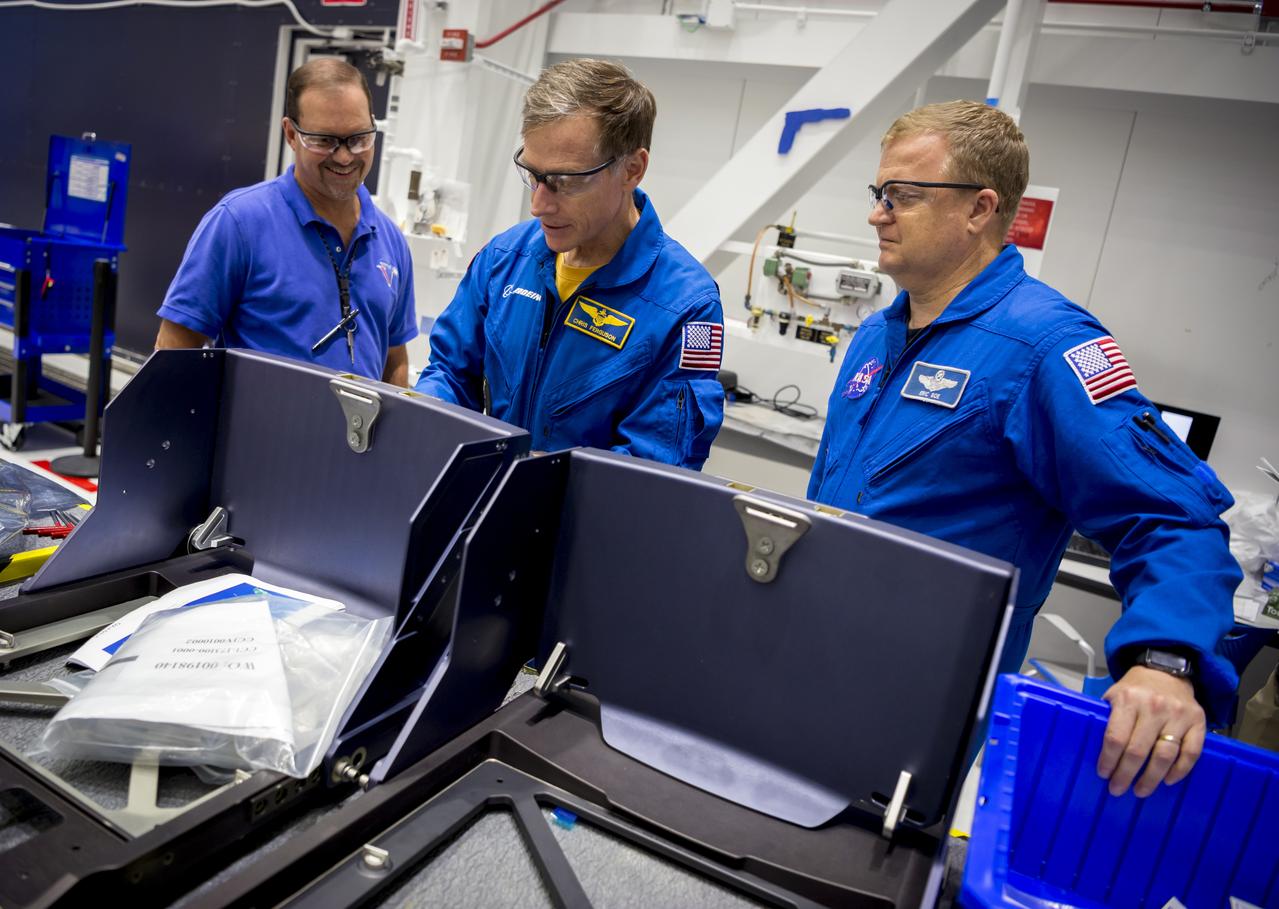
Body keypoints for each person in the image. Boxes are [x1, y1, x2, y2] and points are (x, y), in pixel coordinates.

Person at [808, 101, 1240, 798]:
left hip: (915, 707)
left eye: (902, 196)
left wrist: (1165, 658)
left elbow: (1175, 517)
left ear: (979, 209)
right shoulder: (876, 335)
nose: (877, 213)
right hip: (811, 656)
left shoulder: (1045, 347)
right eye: (877, 193)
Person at [415, 59, 724, 469]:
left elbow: (654, 468)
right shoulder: (504, 260)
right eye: (532, 174)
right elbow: (451, 372)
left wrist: (535, 478)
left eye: (566, 181)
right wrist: (427, 423)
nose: (538, 204)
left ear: (632, 169)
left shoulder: (685, 306)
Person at [155, 58, 416, 385]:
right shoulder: (240, 224)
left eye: (358, 138)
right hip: (258, 435)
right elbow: (175, 347)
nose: (346, 156)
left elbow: (395, 360)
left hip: (358, 437)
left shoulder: (390, 241)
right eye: (324, 141)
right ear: (291, 134)